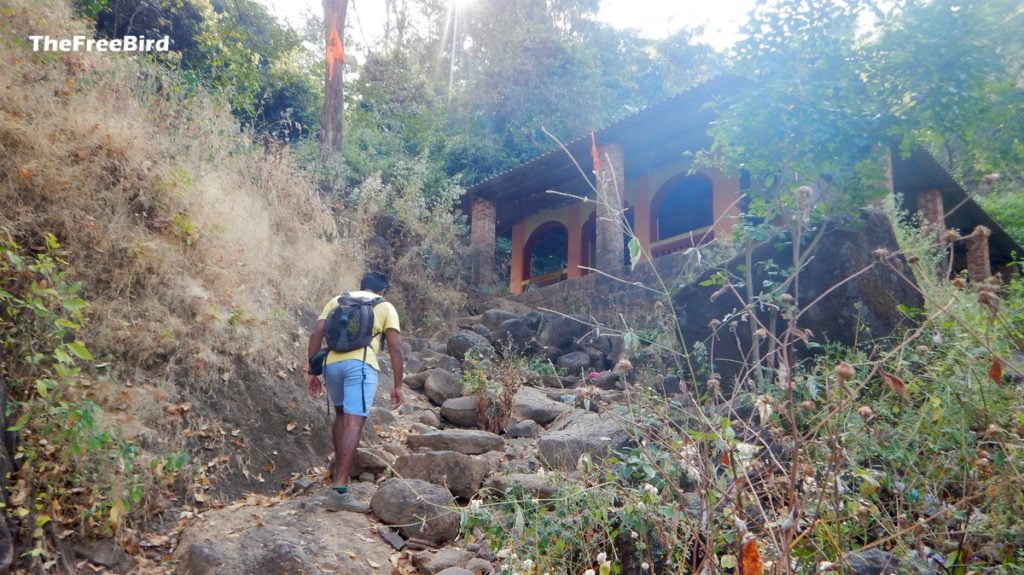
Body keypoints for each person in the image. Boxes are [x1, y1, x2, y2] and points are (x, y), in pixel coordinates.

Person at [306, 271, 404, 512]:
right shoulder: (384, 306)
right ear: (382, 290)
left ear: (361, 286)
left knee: (341, 415)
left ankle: (339, 479)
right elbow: (395, 347)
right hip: (360, 365)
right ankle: (339, 491)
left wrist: (312, 370)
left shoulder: (338, 300)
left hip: (331, 364)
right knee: (354, 422)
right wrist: (398, 385)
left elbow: (316, 333)